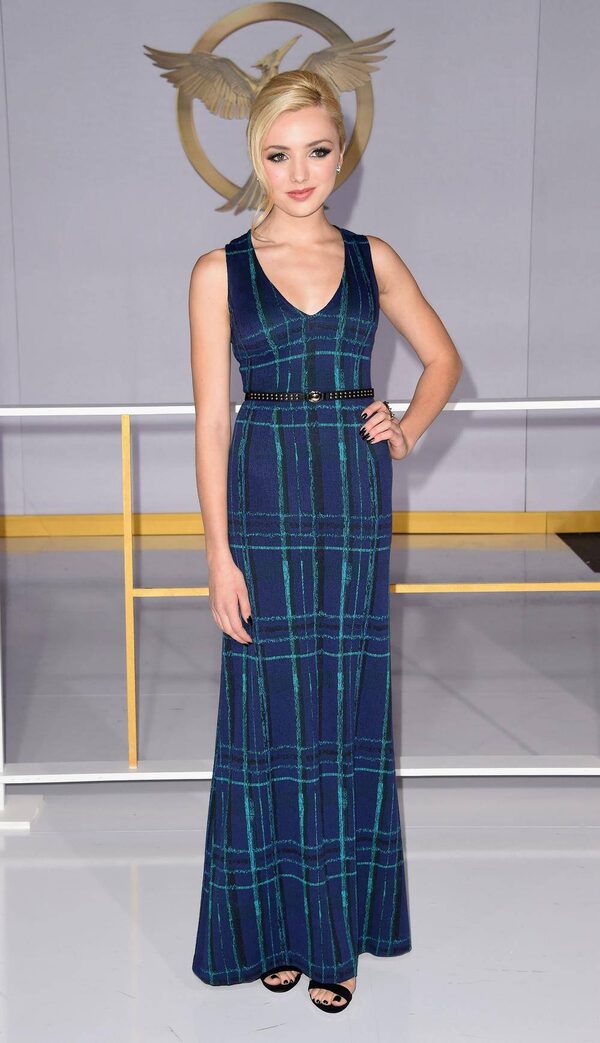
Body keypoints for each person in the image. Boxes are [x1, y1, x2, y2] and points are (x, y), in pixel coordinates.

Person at [189, 68, 462, 1013]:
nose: (299, 172)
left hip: (350, 493)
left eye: (317, 151)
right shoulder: (218, 271)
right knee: (265, 711)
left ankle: (333, 937)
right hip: (262, 491)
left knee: (343, 705)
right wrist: (218, 555)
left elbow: (442, 359)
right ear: (254, 158)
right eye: (278, 154)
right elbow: (211, 423)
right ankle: (270, 927)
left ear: (342, 157)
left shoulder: (371, 257)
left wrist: (408, 427)